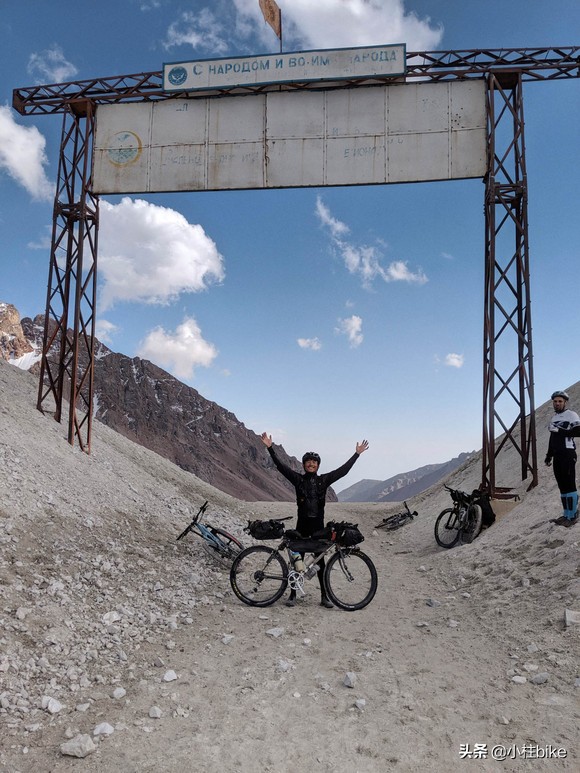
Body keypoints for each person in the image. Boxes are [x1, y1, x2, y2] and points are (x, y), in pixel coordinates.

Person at [260, 433, 369, 608]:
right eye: (308, 462)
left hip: (318, 528)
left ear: (318, 465)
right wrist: (270, 448)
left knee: (321, 562)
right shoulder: (298, 480)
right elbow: (281, 467)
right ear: (304, 465)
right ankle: (293, 594)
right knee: (298, 560)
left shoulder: (323, 480)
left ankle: (324, 596)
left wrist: (356, 454)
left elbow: (343, 471)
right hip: (302, 526)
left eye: (314, 462)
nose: (311, 464)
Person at [545, 390, 580, 527]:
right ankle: (566, 514)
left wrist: (560, 431)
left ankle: (572, 516)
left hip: (568, 453)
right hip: (558, 455)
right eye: (555, 401)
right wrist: (549, 455)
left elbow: (578, 431)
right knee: (562, 486)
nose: (557, 403)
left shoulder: (571, 415)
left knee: (569, 484)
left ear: (565, 402)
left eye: (560, 401)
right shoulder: (554, 418)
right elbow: (552, 438)